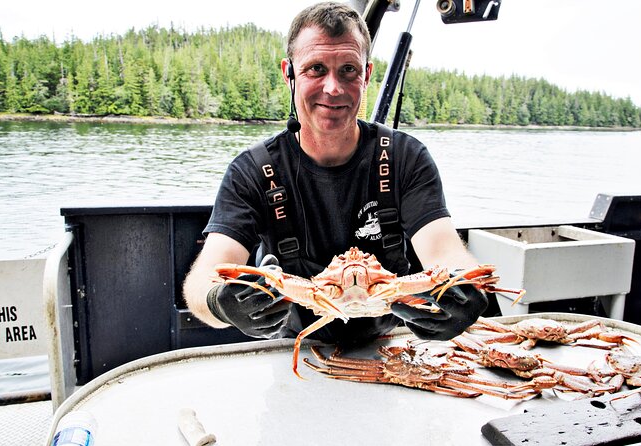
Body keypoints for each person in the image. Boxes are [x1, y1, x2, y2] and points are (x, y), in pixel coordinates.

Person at [183, 1, 488, 347]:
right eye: (315, 69)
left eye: (348, 70)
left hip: (392, 344)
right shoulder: (253, 171)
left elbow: (445, 252)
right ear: (289, 74)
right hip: (294, 347)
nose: (333, 88)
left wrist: (465, 288)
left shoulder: (405, 157)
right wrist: (218, 303)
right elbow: (203, 279)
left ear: (367, 75)